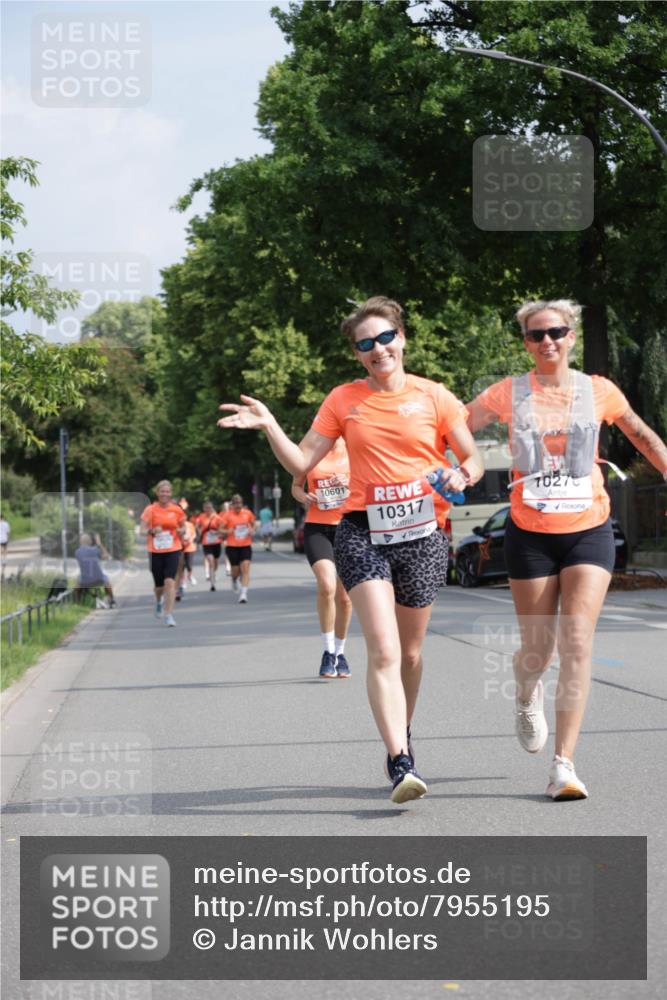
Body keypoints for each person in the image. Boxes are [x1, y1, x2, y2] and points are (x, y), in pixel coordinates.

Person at [218, 296, 483, 803]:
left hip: (424, 534)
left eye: (385, 338)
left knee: (410, 653)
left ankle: (403, 732)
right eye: (366, 344)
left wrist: (460, 474)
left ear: (401, 338)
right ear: (357, 354)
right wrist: (270, 425)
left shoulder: (435, 396)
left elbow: (472, 458)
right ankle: (400, 761)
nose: (378, 349)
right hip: (362, 532)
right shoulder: (343, 400)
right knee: (383, 648)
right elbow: (302, 461)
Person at [466, 298, 667, 801]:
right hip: (530, 532)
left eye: (556, 332)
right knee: (539, 649)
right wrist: (445, 467)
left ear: (571, 336)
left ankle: (563, 764)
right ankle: (525, 692)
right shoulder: (507, 392)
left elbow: (642, 436)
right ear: (526, 344)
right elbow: (452, 428)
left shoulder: (598, 390)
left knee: (577, 641)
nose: (547, 341)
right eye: (536, 335)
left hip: (588, 527)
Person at [291, 436, 354, 679]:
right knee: (327, 586)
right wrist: (304, 497)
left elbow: (370, 482)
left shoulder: (354, 449)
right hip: (318, 528)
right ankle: (328, 652)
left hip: (349, 528)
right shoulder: (310, 452)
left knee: (345, 598)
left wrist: (349, 485)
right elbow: (296, 486)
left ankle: (340, 652)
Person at [140, 480, 187, 627]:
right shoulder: (150, 509)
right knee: (159, 586)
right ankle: (159, 601)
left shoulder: (177, 510)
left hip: (173, 549)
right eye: (162, 491)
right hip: (155, 550)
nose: (165, 494)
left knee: (169, 582)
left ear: (170, 493)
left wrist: (181, 530)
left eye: (167, 491)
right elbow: (142, 530)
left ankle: (169, 615)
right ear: (157, 493)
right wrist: (152, 530)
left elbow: (183, 527)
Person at [219, 494, 255, 603]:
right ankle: (234, 579)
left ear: (242, 504)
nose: (238, 506)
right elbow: (220, 529)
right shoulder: (227, 515)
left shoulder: (247, 513)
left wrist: (252, 530)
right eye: (235, 504)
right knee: (235, 571)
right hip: (232, 546)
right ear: (232, 505)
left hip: (246, 545)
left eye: (239, 503)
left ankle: (243, 594)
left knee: (245, 568)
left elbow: (253, 524)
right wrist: (228, 531)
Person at [73, 533, 116, 606]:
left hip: (84, 581)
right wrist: (99, 544)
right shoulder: (95, 550)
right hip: (99, 579)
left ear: (80, 542)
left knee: (77, 582)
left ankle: (77, 602)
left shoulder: (77, 552)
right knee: (107, 582)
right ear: (90, 542)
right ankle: (111, 600)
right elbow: (106, 556)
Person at [196, 500, 223, 591]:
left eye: (210, 508)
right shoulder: (201, 517)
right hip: (206, 542)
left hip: (216, 542)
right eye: (206, 508)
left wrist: (217, 532)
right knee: (211, 561)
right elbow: (197, 527)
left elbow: (222, 528)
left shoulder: (217, 517)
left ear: (212, 508)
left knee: (215, 562)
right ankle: (212, 583)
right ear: (204, 509)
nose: (208, 510)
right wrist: (199, 531)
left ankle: (213, 573)